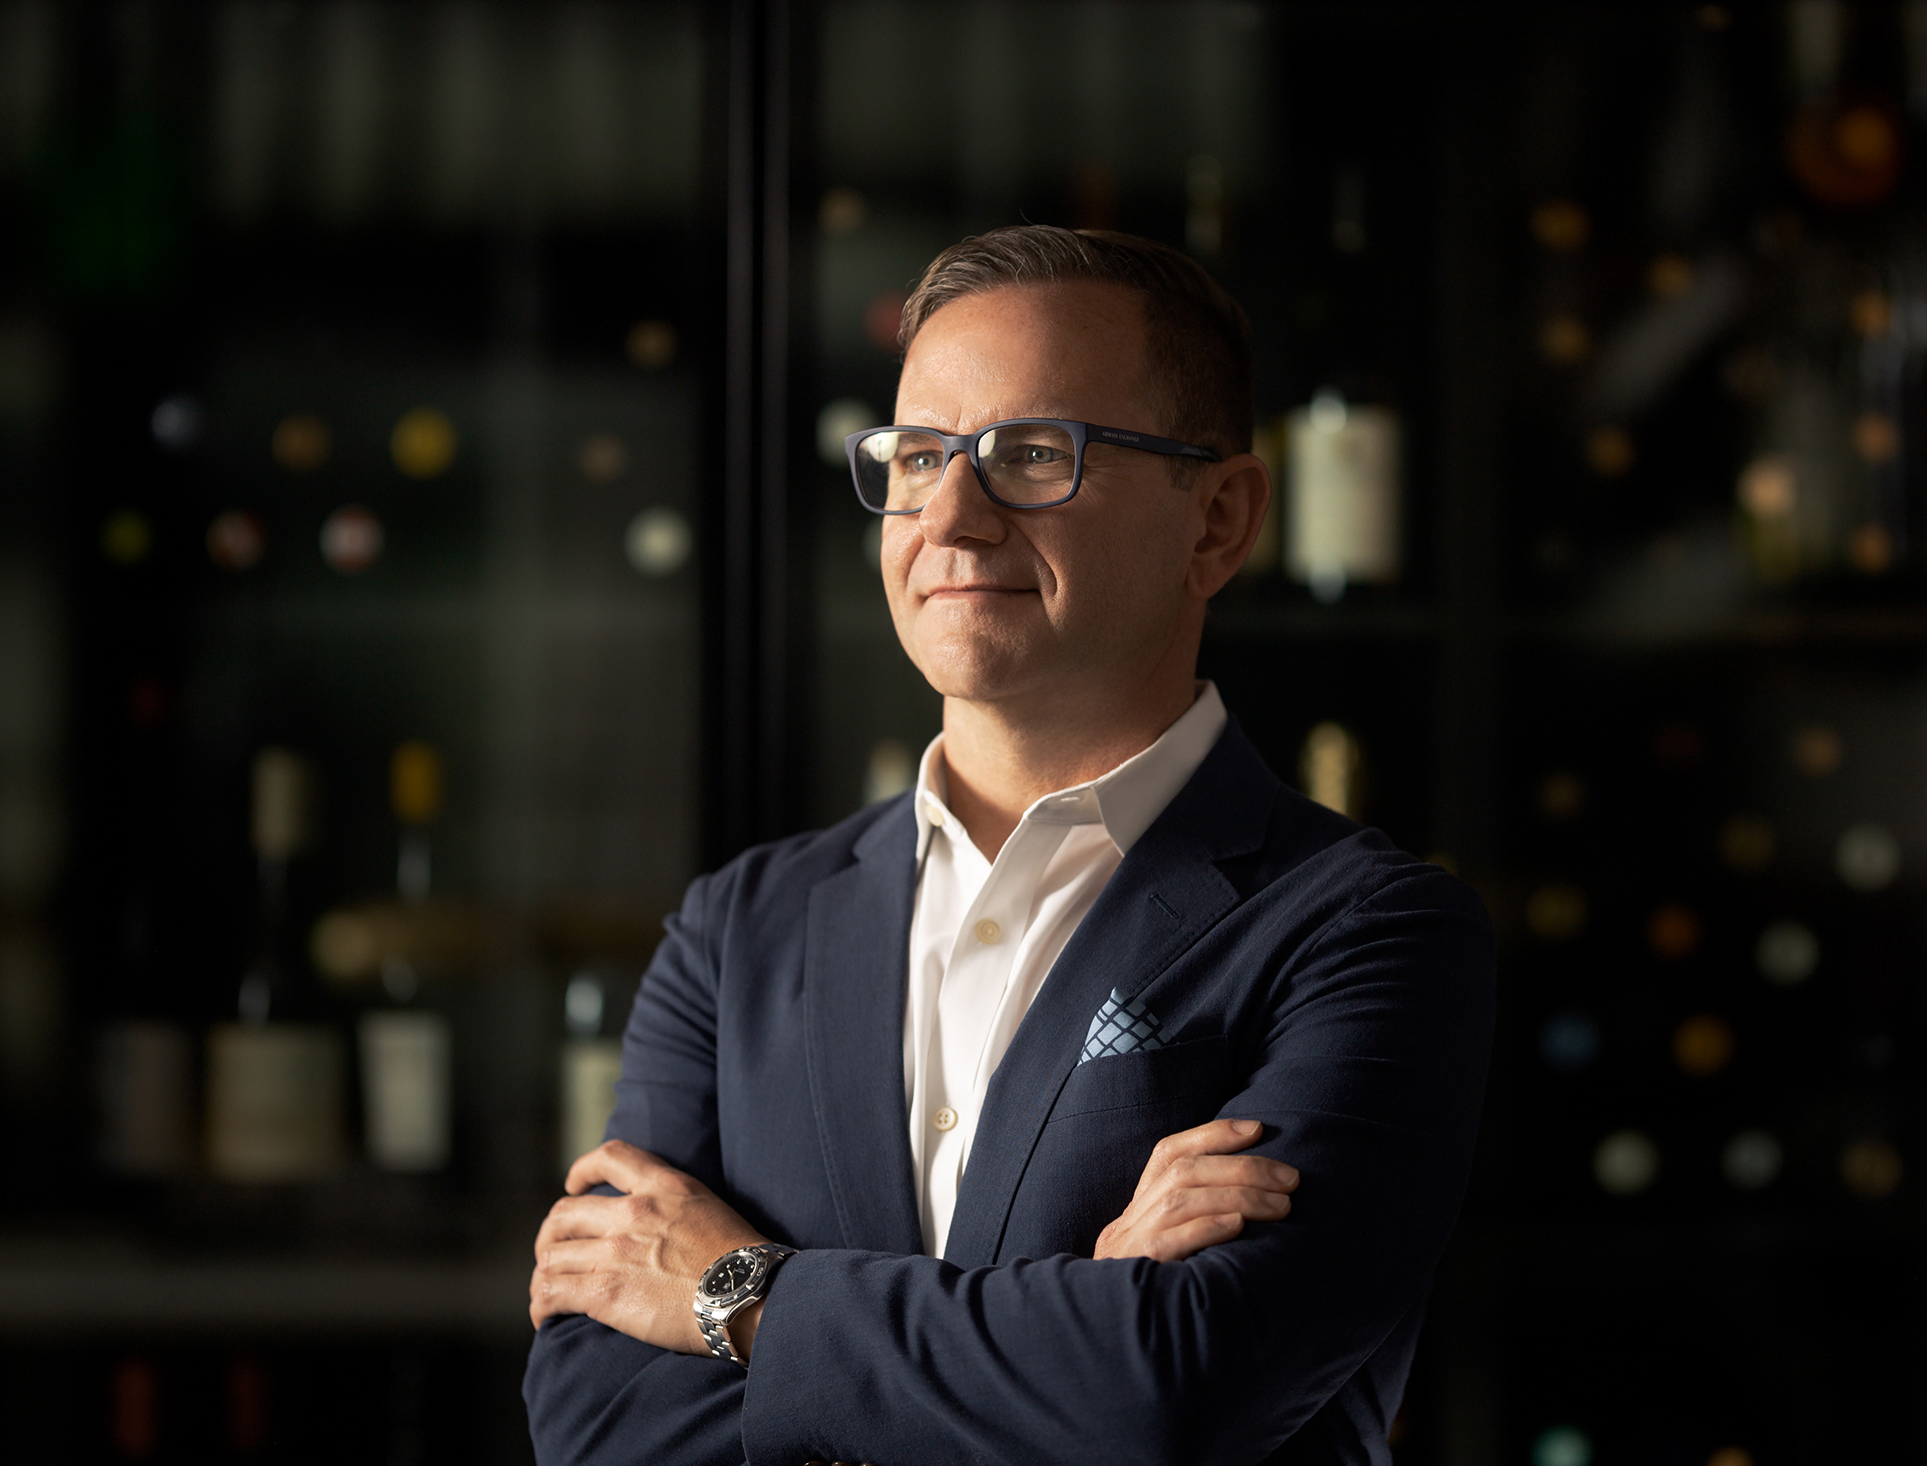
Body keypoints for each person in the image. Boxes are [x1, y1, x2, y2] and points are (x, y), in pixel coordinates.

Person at [524, 225, 1495, 1466]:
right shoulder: (738, 929)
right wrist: (1075, 1315)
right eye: (920, 455)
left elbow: (1170, 1390)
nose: (952, 516)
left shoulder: (1372, 932)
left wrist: (734, 1292)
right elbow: (599, 1422)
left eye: (1034, 454)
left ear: (1218, 519)